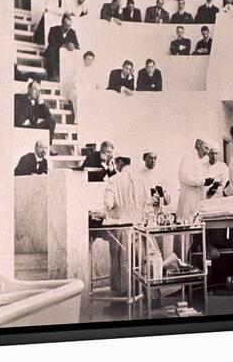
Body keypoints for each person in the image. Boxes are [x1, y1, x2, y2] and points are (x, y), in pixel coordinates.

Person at [104, 152, 151, 294]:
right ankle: (139, 292)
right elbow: (147, 203)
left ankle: (122, 297)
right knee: (139, 260)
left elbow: (108, 203)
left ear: (118, 163)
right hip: (139, 227)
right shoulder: (142, 180)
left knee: (121, 262)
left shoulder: (114, 180)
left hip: (120, 227)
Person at [177, 138, 211, 222]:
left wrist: (204, 181)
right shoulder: (189, 156)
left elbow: (196, 178)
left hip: (195, 201)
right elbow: (184, 176)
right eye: (205, 148)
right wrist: (203, 182)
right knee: (187, 229)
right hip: (188, 200)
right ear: (198, 144)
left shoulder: (196, 159)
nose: (207, 153)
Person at [14, 80, 56, 148]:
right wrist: (27, 121)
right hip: (22, 126)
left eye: (39, 91)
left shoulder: (38, 104)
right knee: (37, 127)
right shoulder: (18, 97)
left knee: (51, 122)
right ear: (29, 89)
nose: (37, 93)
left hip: (33, 126)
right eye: (35, 89)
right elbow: (15, 113)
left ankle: (48, 146)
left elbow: (48, 116)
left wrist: (41, 103)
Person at [44, 14, 80, 81]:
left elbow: (77, 45)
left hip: (65, 56)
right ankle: (51, 76)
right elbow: (51, 42)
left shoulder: (72, 32)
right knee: (51, 50)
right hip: (54, 54)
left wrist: (73, 46)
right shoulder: (53, 29)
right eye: (66, 25)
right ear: (62, 23)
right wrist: (64, 46)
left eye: (69, 26)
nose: (67, 28)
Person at [69, 51, 100, 123]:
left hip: (90, 92)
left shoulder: (94, 71)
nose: (89, 61)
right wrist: (84, 91)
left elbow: (96, 84)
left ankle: (91, 121)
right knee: (78, 96)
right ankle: (78, 120)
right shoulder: (78, 69)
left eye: (91, 60)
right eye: (88, 59)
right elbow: (75, 82)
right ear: (84, 59)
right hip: (79, 91)